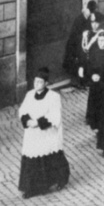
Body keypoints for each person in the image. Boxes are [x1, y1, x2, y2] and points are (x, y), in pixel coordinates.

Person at [18, 67, 70, 198]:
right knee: (32, 159)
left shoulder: (53, 97)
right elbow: (22, 110)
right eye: (35, 81)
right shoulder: (29, 95)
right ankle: (31, 188)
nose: (36, 84)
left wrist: (38, 122)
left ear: (46, 83)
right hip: (32, 133)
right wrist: (27, 120)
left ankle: (60, 179)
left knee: (51, 156)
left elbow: (55, 115)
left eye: (40, 82)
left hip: (47, 132)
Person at [85, 30, 104, 130]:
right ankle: (92, 118)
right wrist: (92, 75)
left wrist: (101, 76)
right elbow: (89, 65)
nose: (100, 43)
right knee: (93, 100)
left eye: (102, 40)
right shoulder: (94, 52)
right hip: (95, 80)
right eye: (99, 40)